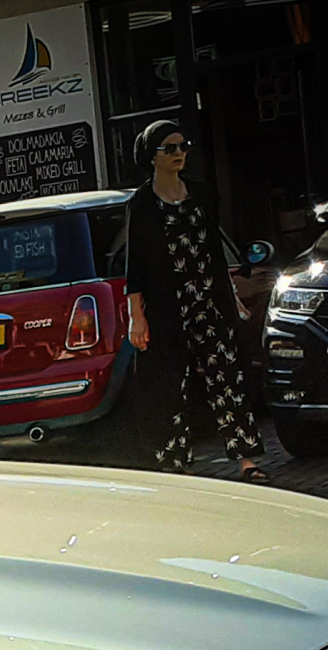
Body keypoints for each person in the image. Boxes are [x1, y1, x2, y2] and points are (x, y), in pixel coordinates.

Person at [123, 120, 268, 482]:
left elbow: (215, 252)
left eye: (183, 146)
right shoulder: (141, 203)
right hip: (167, 309)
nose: (179, 153)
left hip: (209, 302)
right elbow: (135, 266)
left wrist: (231, 295)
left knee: (228, 379)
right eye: (169, 148)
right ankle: (177, 466)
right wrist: (136, 317)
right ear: (151, 156)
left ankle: (248, 460)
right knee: (170, 385)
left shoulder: (200, 193)